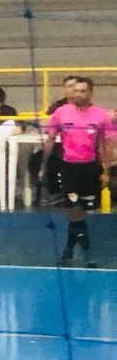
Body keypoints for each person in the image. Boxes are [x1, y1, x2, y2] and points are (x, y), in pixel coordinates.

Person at [42, 75, 114, 267]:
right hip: (69, 168)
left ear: (90, 93)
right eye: (76, 91)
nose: (79, 94)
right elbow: (50, 140)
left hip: (90, 168)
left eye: (83, 91)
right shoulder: (61, 113)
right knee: (74, 209)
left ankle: (68, 250)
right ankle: (88, 251)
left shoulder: (101, 115)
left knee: (82, 212)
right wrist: (43, 164)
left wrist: (105, 170)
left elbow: (107, 145)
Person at [30, 75, 81, 205]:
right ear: (64, 89)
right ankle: (55, 192)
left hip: (78, 146)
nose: (72, 89)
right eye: (69, 86)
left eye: (75, 86)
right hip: (57, 143)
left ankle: (73, 194)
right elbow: (44, 121)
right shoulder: (58, 106)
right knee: (37, 159)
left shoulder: (84, 105)